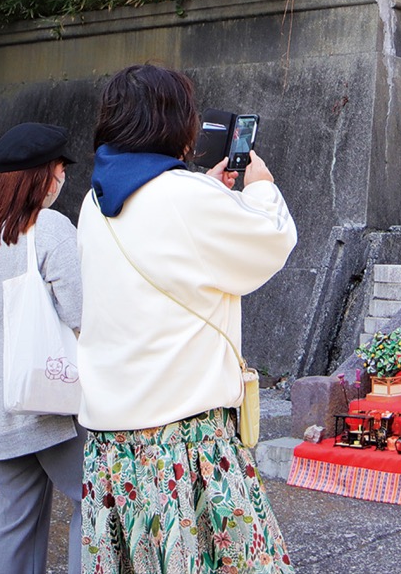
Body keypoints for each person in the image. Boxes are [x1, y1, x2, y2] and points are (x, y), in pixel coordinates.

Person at [75, 64, 297, 573]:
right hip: (186, 445)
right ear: (176, 123)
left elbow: (164, 225)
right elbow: (272, 240)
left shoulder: (94, 200)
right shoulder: (184, 196)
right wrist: (258, 185)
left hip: (115, 447)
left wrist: (206, 189)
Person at [0, 122, 84, 574]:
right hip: (48, 402)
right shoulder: (49, 227)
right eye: (59, 169)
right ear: (41, 177)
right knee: (92, 503)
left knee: (14, 518)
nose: (63, 178)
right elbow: (81, 313)